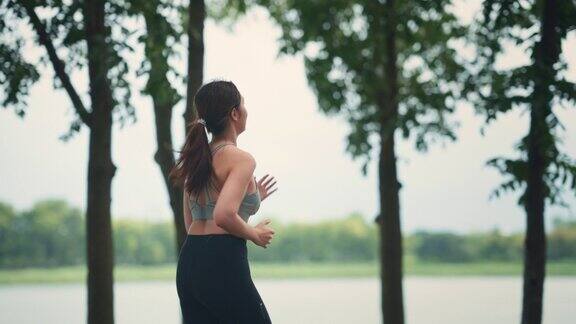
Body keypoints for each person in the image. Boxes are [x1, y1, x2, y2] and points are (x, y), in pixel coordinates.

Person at [170, 80, 278, 323]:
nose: (246, 111)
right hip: (222, 260)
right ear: (234, 113)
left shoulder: (197, 157)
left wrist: (253, 197)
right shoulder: (241, 159)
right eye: (243, 104)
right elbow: (223, 215)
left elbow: (194, 221)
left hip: (190, 261)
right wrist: (254, 234)